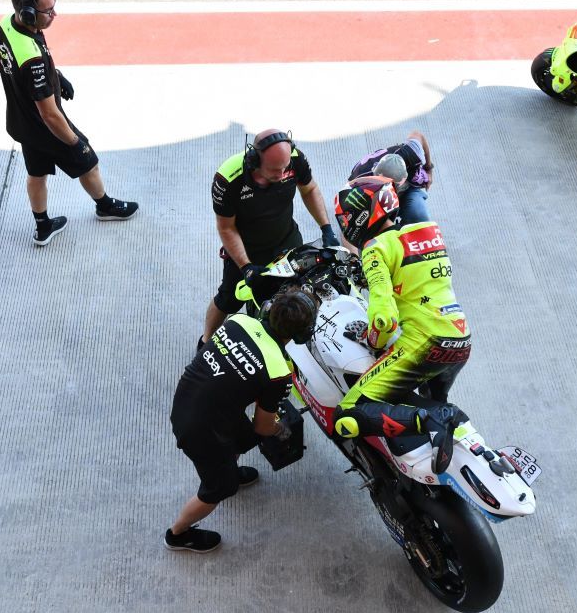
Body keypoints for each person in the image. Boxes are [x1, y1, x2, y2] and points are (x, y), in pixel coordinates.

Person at [166, 290, 319, 552]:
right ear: (301, 334)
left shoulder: (239, 321)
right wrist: (280, 429)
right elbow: (263, 426)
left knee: (243, 435)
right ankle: (178, 534)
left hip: (188, 399)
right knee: (219, 488)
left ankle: (229, 466)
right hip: (199, 431)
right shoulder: (278, 371)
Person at [0, 0, 138, 246]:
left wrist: (55, 76)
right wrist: (75, 143)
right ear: (27, 12)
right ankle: (104, 205)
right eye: (48, 10)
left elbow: (20, 70)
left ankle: (43, 226)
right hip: (45, 127)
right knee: (89, 162)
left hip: (22, 123)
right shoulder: (32, 58)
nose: (54, 14)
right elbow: (49, 114)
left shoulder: (6, 25)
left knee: (36, 174)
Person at [328, 177, 472, 440]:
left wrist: (371, 340)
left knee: (346, 414)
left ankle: (431, 422)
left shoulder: (375, 248)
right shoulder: (429, 231)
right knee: (433, 399)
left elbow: (384, 320)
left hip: (425, 343)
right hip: (460, 340)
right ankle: (444, 431)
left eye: (347, 218)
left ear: (363, 215)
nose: (345, 225)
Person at [201, 129, 338, 347]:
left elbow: (310, 189)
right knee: (228, 299)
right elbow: (226, 228)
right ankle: (206, 340)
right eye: (275, 170)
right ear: (256, 160)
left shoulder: (294, 160)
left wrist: (327, 229)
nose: (283, 174)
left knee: (292, 297)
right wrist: (246, 267)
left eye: (285, 168)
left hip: (286, 240)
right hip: (245, 250)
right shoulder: (229, 178)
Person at [348, 131, 435, 225]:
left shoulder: (411, 153)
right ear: (375, 172)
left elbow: (418, 135)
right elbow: (348, 229)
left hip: (407, 191)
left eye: (393, 185)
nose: (389, 188)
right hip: (375, 195)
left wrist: (428, 168)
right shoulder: (360, 184)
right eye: (383, 183)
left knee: (419, 217)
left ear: (404, 176)